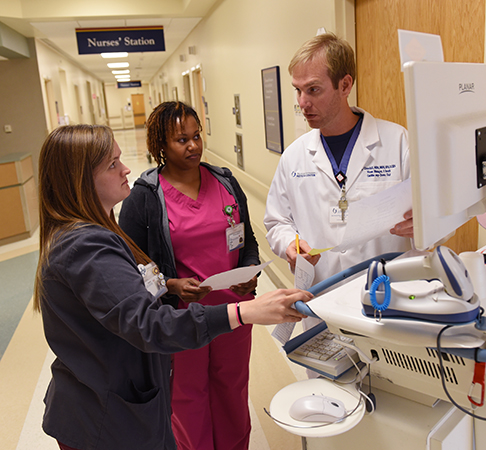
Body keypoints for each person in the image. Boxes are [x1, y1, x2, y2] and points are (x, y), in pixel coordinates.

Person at [34, 124, 312, 450]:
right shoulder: (86, 246)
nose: (125, 169)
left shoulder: (99, 231)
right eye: (112, 164)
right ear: (79, 178)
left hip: (119, 399)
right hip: (105, 417)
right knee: (191, 402)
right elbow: (149, 324)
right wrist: (246, 310)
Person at [118, 101, 258, 450]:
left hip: (234, 311)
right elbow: (129, 262)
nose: (193, 145)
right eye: (182, 140)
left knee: (232, 388)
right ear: (160, 145)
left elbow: (248, 239)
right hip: (180, 318)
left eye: (197, 136)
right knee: (187, 394)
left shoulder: (225, 183)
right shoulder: (145, 197)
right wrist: (170, 283)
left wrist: (250, 272)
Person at [264, 32, 414, 300]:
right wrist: (289, 243)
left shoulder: (398, 142)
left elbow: (435, 218)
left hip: (386, 296)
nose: (302, 103)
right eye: (297, 90)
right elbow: (276, 221)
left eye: (313, 90)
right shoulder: (294, 156)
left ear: (345, 86)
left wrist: (424, 225)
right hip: (321, 296)